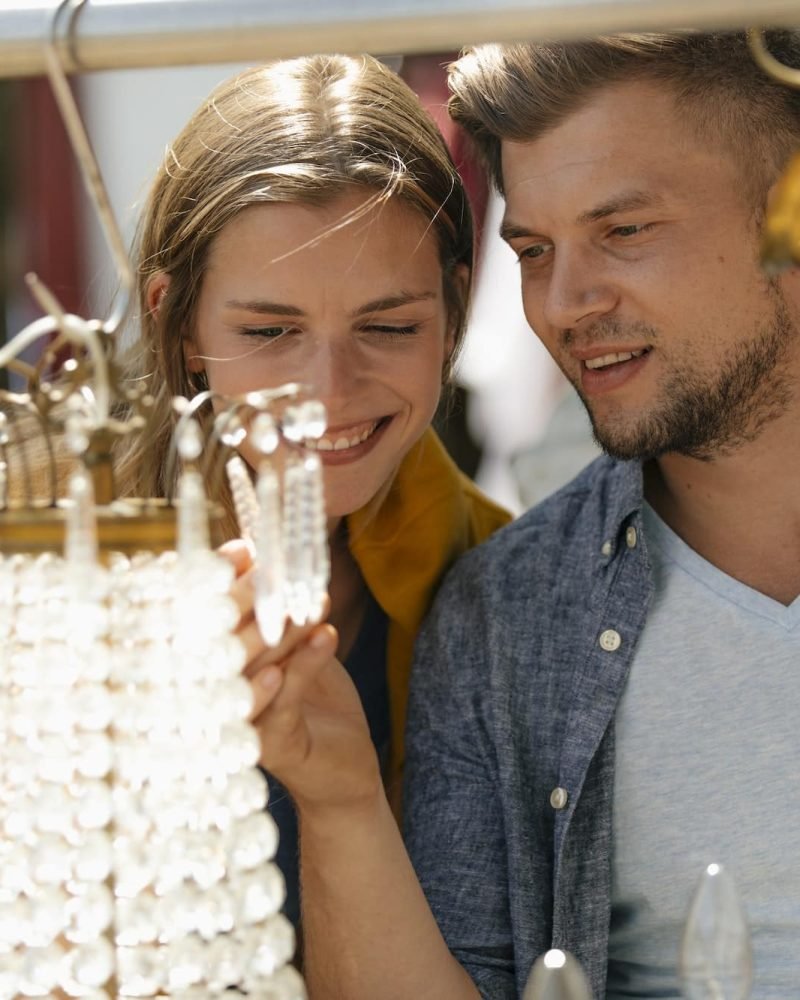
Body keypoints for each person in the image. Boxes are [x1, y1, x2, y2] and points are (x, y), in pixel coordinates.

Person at [248, 29, 800, 1000]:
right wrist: (338, 801)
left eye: (623, 230)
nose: (562, 302)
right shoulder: (505, 615)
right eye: (533, 250)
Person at [114, 53, 510, 931]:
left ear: (453, 313)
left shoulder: (512, 583)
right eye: (269, 330)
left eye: (389, 325)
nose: (327, 391)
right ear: (179, 327)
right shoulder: (47, 584)